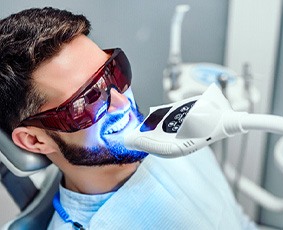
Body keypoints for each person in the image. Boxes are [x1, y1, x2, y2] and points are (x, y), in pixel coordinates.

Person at [0, 7, 257, 229]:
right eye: (87, 101)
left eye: (115, 73)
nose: (122, 103)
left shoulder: (181, 131)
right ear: (34, 140)